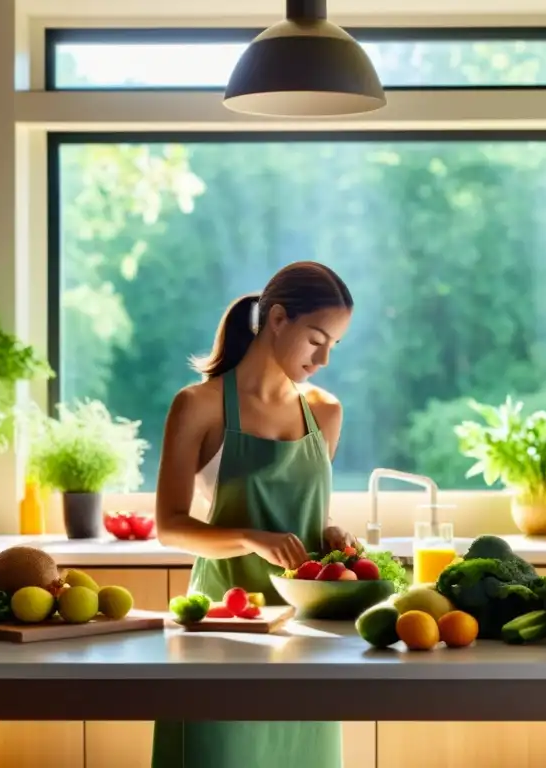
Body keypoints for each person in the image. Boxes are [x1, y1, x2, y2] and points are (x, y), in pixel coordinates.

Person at [152, 261, 356, 768]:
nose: (325, 358)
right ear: (279, 319)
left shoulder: (325, 413)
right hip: (222, 630)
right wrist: (251, 538)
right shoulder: (199, 406)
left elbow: (307, 513)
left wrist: (330, 535)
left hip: (304, 636)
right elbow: (170, 526)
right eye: (316, 339)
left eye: (334, 344)